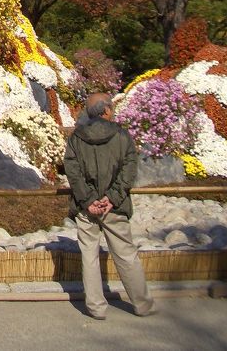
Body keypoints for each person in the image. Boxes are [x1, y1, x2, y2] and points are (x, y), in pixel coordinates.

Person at [63, 92, 155, 320]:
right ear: (106, 110)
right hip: (114, 207)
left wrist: (89, 200)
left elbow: (73, 172)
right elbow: (129, 169)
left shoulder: (76, 138)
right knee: (125, 254)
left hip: (88, 209)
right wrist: (112, 198)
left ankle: (96, 307)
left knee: (89, 255)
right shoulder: (122, 137)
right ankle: (141, 304)